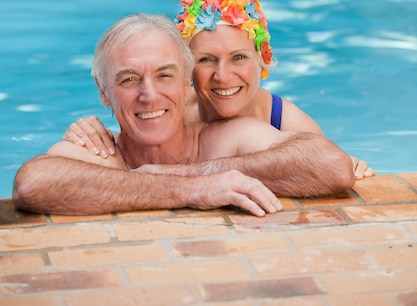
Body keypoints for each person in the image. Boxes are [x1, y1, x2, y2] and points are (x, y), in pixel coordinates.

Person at [13, 12, 355, 217]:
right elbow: (31, 184)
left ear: (185, 83)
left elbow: (331, 166)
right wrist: (192, 189)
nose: (149, 95)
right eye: (129, 79)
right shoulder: (99, 152)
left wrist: (194, 171)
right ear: (104, 92)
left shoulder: (229, 137)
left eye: (165, 75)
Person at [64, 0, 374, 179]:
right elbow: (132, 125)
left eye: (239, 57)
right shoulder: (171, 106)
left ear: (263, 60)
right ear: (185, 72)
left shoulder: (288, 122)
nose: (222, 76)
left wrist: (349, 164)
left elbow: (324, 166)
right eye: (206, 60)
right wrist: (91, 129)